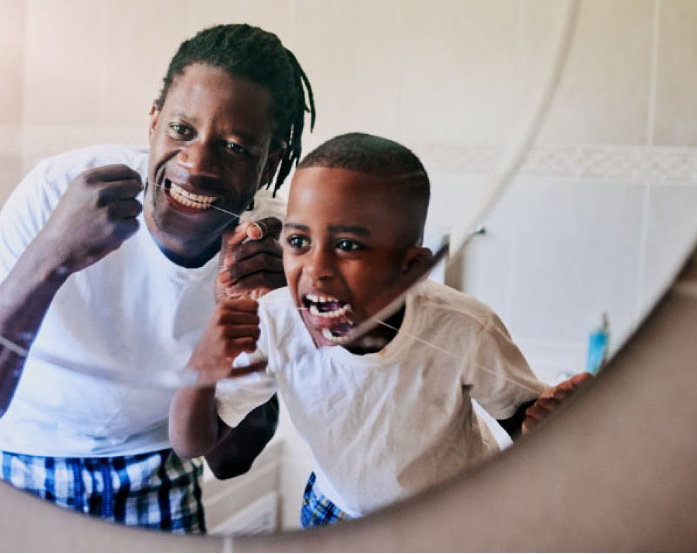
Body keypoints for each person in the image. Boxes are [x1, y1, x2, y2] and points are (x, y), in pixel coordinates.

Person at [0, 24, 315, 533]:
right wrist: (53, 254)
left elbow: (229, 461)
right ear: (153, 124)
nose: (197, 165)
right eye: (181, 130)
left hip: (156, 474)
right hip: (9, 460)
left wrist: (266, 319)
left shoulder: (275, 247)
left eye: (236, 147)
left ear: (273, 163)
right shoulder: (57, 193)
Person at [169, 132, 590, 528]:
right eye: (299, 242)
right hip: (333, 509)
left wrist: (545, 424)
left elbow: (519, 417)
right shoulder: (277, 321)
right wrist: (200, 369)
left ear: (409, 269)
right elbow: (195, 445)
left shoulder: (463, 328)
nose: (315, 269)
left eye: (348, 246)